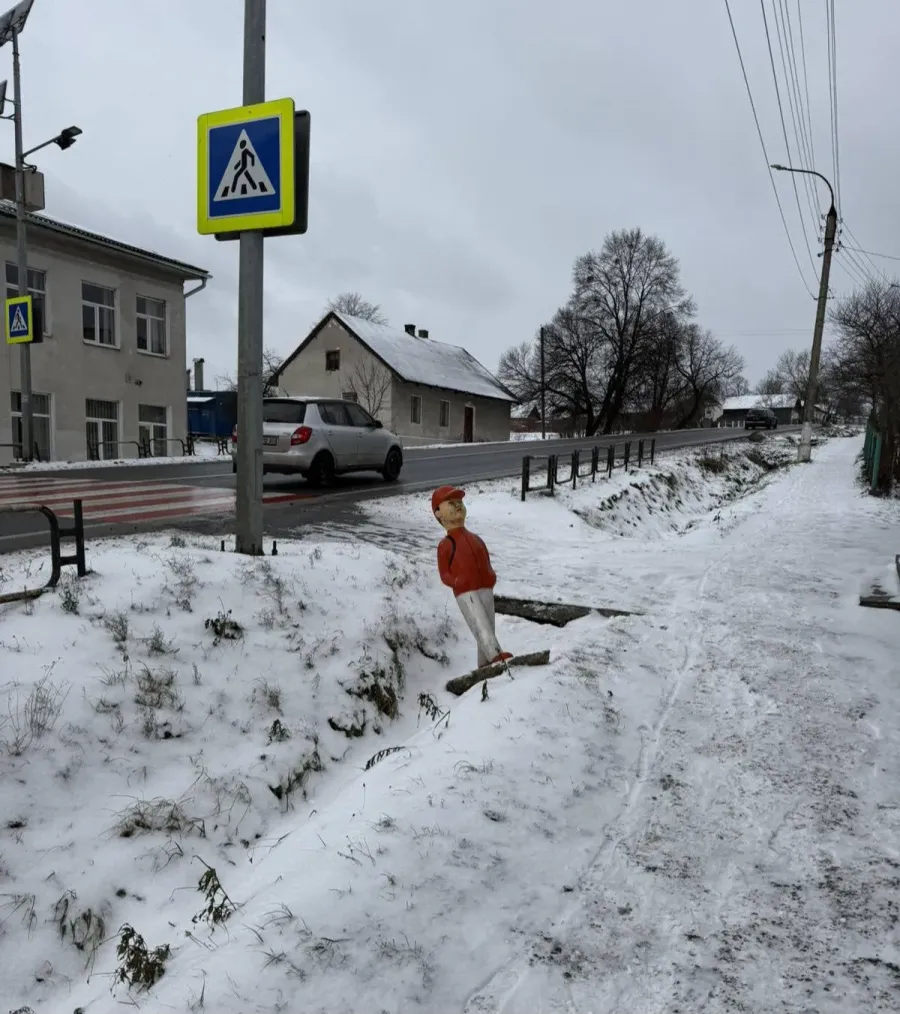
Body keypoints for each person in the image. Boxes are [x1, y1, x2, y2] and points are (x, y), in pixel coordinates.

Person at [432, 484, 513, 669]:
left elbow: (485, 557)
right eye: (451, 503)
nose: (458, 505)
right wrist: (456, 581)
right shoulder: (446, 544)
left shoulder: (476, 538)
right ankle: (496, 655)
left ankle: (484, 664)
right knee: (480, 623)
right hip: (465, 590)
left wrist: (491, 574)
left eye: (459, 502)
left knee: (488, 625)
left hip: (485, 585)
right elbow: (444, 573)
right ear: (438, 513)